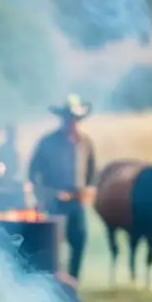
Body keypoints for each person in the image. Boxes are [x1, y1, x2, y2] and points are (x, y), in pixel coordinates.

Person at [27, 95, 97, 281]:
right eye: (67, 118)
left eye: (73, 118)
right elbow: (33, 173)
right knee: (54, 244)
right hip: (54, 201)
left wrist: (88, 190)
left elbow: (91, 172)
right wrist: (45, 195)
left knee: (79, 239)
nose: (70, 122)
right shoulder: (47, 142)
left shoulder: (86, 143)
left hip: (77, 201)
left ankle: (74, 280)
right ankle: (54, 280)